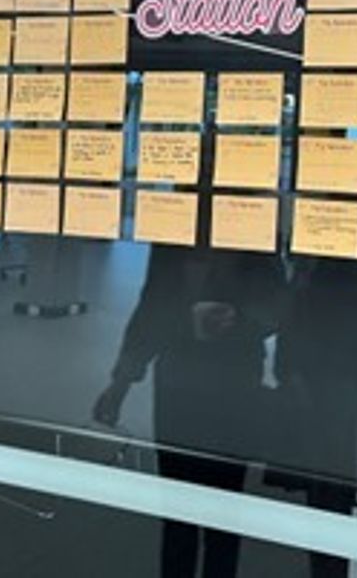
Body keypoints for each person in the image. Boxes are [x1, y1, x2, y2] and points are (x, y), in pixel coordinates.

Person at [93, 241, 284, 578]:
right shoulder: (177, 234)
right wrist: (121, 381)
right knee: (181, 510)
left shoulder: (251, 235)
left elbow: (276, 309)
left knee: (220, 511)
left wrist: (238, 321)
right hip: (182, 386)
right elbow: (153, 305)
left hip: (229, 387)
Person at [273, 258, 357, 578]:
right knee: (343, 480)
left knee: (329, 483)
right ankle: (338, 563)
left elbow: (297, 308)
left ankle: (330, 565)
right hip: (349, 375)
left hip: (332, 376)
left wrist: (288, 368)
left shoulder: (321, 259)